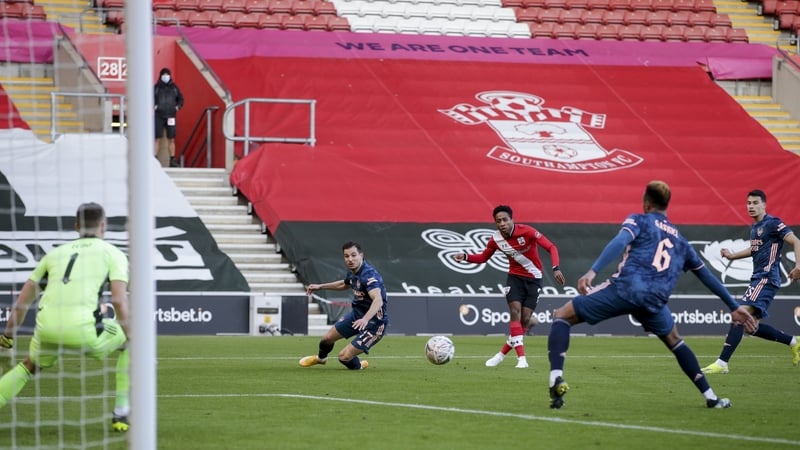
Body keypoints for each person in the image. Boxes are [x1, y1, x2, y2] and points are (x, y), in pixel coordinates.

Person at [546, 181, 756, 410]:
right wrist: (733, 306)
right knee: (675, 341)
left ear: (646, 203)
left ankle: (555, 377)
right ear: (667, 206)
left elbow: (620, 241)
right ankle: (711, 397)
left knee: (562, 315)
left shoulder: (639, 220)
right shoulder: (681, 241)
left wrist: (593, 270)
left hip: (627, 288)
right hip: (655, 300)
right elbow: (706, 276)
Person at [0, 202, 131, 432]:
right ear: (103, 225)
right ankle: (121, 414)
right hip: (84, 331)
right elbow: (120, 301)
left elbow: (22, 303)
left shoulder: (55, 254)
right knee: (132, 345)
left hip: (47, 329)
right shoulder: (113, 253)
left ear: (76, 226)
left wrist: (7, 337)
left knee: (28, 366)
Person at [453, 205, 565, 369]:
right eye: (498, 221)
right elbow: (483, 257)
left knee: (525, 320)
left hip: (534, 278)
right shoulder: (496, 240)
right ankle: (522, 359)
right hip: (515, 278)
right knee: (515, 311)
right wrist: (465, 256)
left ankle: (501, 355)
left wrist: (556, 268)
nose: (502, 223)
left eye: (505, 219)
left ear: (512, 219)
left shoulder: (527, 231)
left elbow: (551, 247)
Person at [701, 189, 800, 374]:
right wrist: (732, 256)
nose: (751, 207)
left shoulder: (773, 223)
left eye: (755, 203)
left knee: (739, 316)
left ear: (764, 204)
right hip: (758, 279)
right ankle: (794, 342)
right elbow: (754, 249)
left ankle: (722, 364)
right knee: (749, 326)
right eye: (749, 203)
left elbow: (796, 241)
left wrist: (798, 265)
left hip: (767, 278)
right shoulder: (755, 228)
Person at [299, 241, 388, 370]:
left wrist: (365, 319)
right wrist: (320, 286)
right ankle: (321, 359)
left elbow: (378, 300)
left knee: (343, 357)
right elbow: (345, 284)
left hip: (374, 324)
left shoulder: (369, 276)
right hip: (357, 316)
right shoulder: (353, 272)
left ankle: (359, 365)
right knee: (327, 339)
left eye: (353, 255)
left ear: (361, 255)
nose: (350, 259)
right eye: (346, 256)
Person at [154, 67, 184, 168]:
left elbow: (181, 99)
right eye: (164, 75)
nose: (165, 76)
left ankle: (172, 160)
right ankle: (154, 158)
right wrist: (154, 106)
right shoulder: (156, 87)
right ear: (160, 76)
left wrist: (177, 107)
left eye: (167, 74)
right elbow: (150, 98)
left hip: (171, 116)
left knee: (171, 139)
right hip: (158, 116)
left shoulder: (174, 87)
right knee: (157, 138)